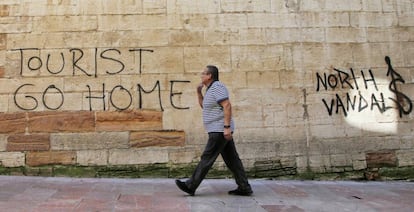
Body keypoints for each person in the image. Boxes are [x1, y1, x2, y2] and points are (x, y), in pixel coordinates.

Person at [175, 65, 253, 196]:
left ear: (209, 75)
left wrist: (227, 128)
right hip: (218, 129)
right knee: (233, 160)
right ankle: (244, 187)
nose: (201, 75)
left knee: (207, 157)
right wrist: (199, 92)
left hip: (219, 130)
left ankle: (191, 185)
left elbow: (227, 105)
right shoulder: (210, 89)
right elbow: (204, 106)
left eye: (203, 73)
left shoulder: (217, 87)